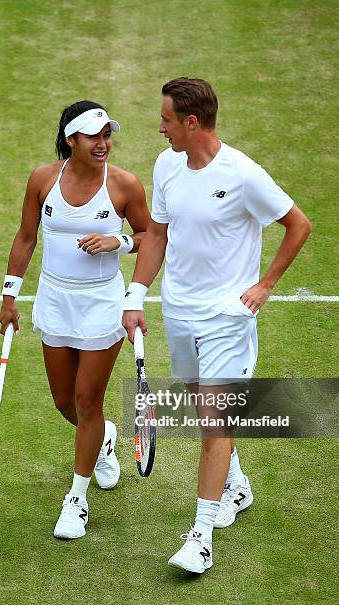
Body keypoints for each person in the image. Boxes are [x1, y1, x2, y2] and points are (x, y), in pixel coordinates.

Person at [123, 78, 311, 573]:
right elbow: (158, 234)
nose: (159, 128)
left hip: (228, 317)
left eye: (166, 120)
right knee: (199, 402)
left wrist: (266, 284)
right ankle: (237, 484)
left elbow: (299, 225)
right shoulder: (167, 165)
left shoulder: (243, 174)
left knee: (213, 422)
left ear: (191, 122)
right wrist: (136, 294)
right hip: (179, 311)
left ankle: (200, 536)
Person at [0, 100, 150, 540]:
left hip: (102, 304)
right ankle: (103, 439)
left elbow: (150, 236)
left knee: (87, 401)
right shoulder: (43, 179)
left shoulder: (124, 185)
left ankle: (76, 499)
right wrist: (10, 297)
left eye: (108, 136)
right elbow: (27, 237)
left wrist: (116, 241)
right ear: (72, 140)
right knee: (65, 402)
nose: (104, 144)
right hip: (54, 299)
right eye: (94, 137)